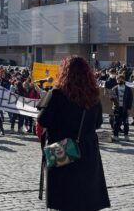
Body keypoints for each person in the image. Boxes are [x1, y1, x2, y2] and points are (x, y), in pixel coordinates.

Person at [37, 56, 110, 211]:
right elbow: (98, 123)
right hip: (87, 152)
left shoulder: (57, 94)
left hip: (63, 151)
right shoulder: (94, 96)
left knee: (65, 199)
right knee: (86, 198)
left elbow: (42, 120)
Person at [110, 74, 133, 142]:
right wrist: (112, 98)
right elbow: (111, 98)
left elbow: (130, 99)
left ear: (123, 79)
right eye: (118, 79)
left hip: (125, 108)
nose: (119, 80)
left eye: (120, 79)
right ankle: (116, 135)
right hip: (117, 108)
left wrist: (129, 107)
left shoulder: (128, 89)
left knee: (125, 122)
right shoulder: (114, 88)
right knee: (116, 122)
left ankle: (126, 135)